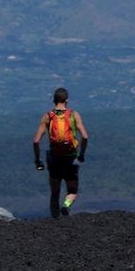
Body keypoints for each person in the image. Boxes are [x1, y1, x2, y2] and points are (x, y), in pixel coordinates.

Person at [33, 87, 88, 218]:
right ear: (67, 100)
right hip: (71, 158)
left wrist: (37, 161)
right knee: (72, 191)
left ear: (54, 100)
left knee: (55, 192)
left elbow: (36, 141)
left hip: (54, 158)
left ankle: (54, 220)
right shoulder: (74, 115)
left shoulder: (48, 116)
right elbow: (85, 137)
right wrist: (81, 155)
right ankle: (66, 205)